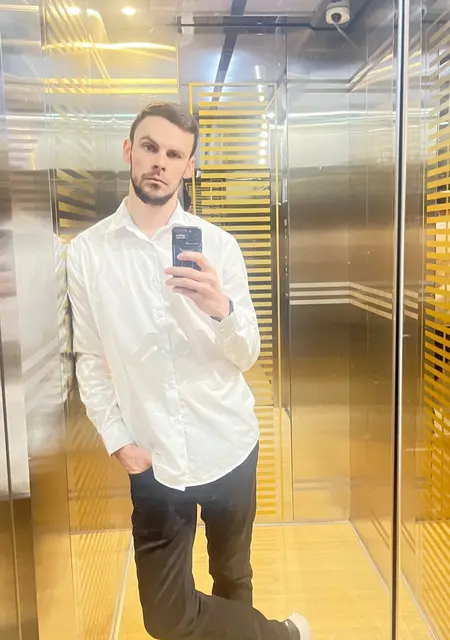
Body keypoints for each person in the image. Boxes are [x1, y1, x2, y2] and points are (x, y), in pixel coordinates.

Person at [67, 102, 312, 640]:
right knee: (165, 616)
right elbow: (88, 356)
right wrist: (118, 441)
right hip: (152, 456)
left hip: (227, 442)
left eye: (175, 154)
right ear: (130, 151)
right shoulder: (88, 253)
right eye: (150, 147)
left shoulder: (218, 246)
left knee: (232, 575)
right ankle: (282, 636)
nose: (160, 162)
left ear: (189, 166)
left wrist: (220, 308)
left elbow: (246, 354)